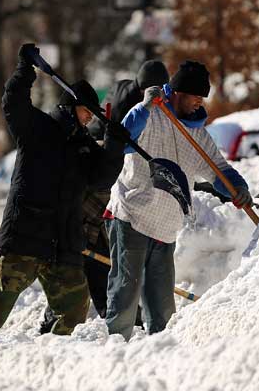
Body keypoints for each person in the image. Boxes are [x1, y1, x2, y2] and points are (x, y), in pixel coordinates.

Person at [0, 44, 129, 353]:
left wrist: (114, 146)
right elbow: (13, 104)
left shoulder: (84, 147)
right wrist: (25, 70)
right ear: (69, 106)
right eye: (85, 111)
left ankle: (50, 357)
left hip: (63, 242)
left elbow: (102, 177)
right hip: (27, 236)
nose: (89, 118)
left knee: (75, 306)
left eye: (92, 114)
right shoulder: (38, 129)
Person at [104, 60, 252, 341]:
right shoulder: (152, 115)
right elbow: (123, 139)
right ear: (178, 93)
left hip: (166, 225)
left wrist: (237, 188)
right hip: (132, 214)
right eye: (195, 97)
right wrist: (144, 106)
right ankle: (115, 352)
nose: (199, 103)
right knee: (125, 291)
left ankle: (161, 352)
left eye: (201, 98)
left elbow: (219, 169)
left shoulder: (198, 134)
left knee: (162, 304)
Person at [40, 60, 169, 333]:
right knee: (79, 263)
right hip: (101, 178)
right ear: (146, 86)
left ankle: (123, 321)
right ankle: (53, 323)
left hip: (106, 179)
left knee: (100, 264)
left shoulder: (137, 95)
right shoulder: (130, 103)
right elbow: (112, 156)